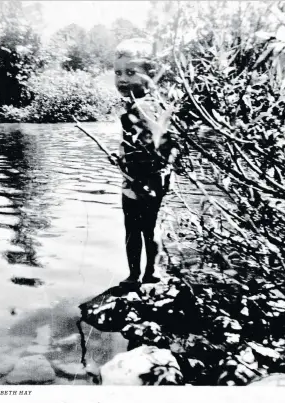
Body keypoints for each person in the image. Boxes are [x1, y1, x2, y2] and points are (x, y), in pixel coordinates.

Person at [111, 38, 179, 286]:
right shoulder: (151, 104)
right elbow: (161, 144)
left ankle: (135, 276)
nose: (122, 79)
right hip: (149, 178)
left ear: (149, 75)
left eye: (131, 72)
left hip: (141, 181)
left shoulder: (141, 107)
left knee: (134, 229)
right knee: (150, 228)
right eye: (118, 73)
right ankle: (150, 273)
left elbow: (159, 144)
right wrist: (121, 156)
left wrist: (142, 178)